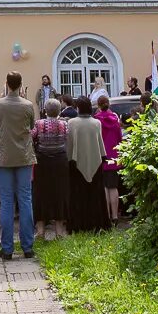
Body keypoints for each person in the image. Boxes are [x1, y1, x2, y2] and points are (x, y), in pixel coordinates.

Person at [0, 71, 36, 261]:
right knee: (25, 200)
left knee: (6, 201)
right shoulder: (28, 105)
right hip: (24, 156)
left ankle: (7, 249)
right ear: (21, 84)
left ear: (6, 83)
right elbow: (31, 125)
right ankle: (27, 247)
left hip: (3, 157)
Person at [66, 96, 110, 233]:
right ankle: (97, 224)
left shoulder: (72, 123)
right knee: (95, 196)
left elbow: (70, 144)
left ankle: (79, 225)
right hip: (96, 163)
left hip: (76, 163)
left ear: (78, 108)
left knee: (78, 196)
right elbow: (100, 145)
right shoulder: (96, 123)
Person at [32, 98, 69, 240]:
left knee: (41, 194)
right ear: (59, 110)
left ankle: (40, 231)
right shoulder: (64, 124)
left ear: (45, 110)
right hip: (60, 161)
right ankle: (59, 231)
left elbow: (31, 136)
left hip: (42, 161)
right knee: (59, 194)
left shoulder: (39, 124)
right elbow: (67, 137)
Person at [96, 96, 123, 224]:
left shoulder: (97, 120)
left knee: (105, 188)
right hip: (114, 156)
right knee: (113, 187)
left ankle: (106, 215)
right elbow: (119, 139)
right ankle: (115, 215)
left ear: (98, 105)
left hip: (101, 155)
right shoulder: (115, 120)